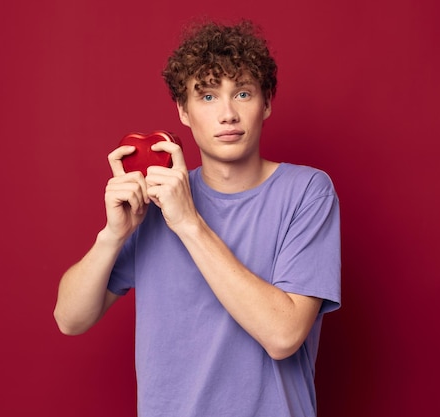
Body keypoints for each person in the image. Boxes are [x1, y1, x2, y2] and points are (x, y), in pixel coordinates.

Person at [53, 19, 341, 417]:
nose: (227, 114)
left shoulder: (307, 192)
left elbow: (284, 335)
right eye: (207, 97)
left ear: (267, 103)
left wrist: (189, 223)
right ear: (183, 111)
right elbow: (69, 319)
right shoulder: (156, 202)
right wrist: (112, 235)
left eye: (242, 93)